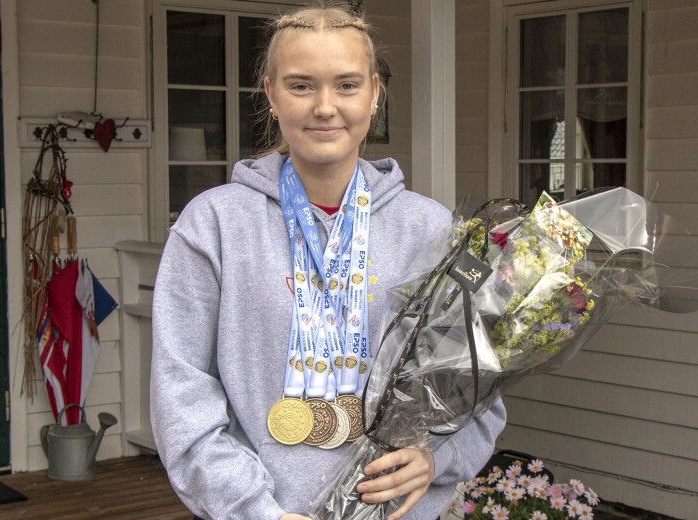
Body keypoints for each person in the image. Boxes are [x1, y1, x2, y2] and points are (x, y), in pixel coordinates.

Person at [150, 5, 506, 520]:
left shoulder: (431, 231)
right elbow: (181, 393)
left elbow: (479, 392)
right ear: (270, 93)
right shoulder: (214, 225)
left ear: (375, 93)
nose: (324, 107)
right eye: (300, 86)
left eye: (346, 85)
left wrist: (438, 458)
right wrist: (256, 512)